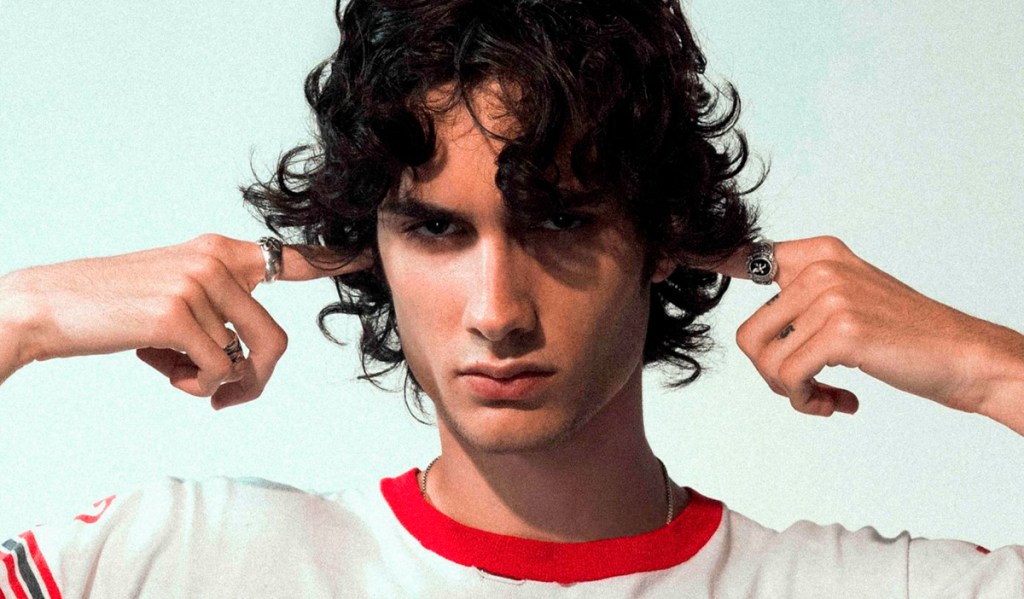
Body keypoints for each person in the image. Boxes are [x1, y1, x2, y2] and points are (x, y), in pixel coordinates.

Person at [2, 0, 1022, 596]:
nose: (498, 310)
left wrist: (993, 369)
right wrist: (22, 317)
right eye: (437, 229)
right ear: (364, 246)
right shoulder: (180, 560)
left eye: (560, 221)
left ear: (666, 237)